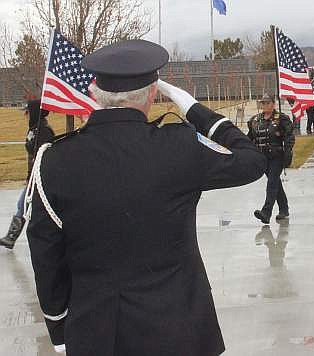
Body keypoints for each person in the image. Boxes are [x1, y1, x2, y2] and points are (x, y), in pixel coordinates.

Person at [25, 39, 267, 356]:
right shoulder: (179, 147)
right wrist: (194, 110)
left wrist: (58, 328)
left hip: (95, 332)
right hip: (179, 328)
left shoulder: (54, 160)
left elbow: (45, 253)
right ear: (153, 94)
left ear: (95, 92)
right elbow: (251, 161)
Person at [0, 100, 54, 249]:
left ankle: (12, 237)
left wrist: (36, 176)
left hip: (39, 176)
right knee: (26, 206)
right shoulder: (34, 129)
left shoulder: (44, 130)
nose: (25, 114)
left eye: (28, 111)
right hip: (32, 176)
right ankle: (12, 237)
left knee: (23, 204)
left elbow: (44, 155)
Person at [248, 93, 295, 224]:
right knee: (275, 184)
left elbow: (289, 136)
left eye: (268, 103)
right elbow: (250, 137)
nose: (265, 105)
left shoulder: (281, 118)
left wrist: (288, 151)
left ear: (273, 104)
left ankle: (266, 212)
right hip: (262, 158)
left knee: (271, 183)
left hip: (277, 157)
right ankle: (284, 209)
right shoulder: (255, 120)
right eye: (263, 103)